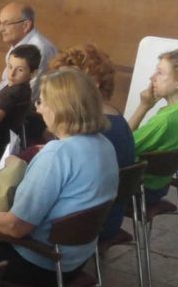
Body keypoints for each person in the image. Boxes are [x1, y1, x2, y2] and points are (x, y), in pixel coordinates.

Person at [0, 69, 119, 286]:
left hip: (40, 262)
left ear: (60, 109)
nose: (37, 109)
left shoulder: (57, 154)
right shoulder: (104, 144)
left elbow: (15, 227)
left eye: (41, 101)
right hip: (74, 260)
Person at [48, 44, 134, 240]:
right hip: (103, 218)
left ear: (93, 84)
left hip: (87, 227)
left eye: (68, 84)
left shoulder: (100, 131)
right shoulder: (112, 116)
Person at [127, 48, 178, 205]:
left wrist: (143, 107)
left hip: (137, 191)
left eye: (160, 73)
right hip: (159, 187)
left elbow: (121, 148)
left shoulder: (167, 120)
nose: (152, 77)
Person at [0, 3, 57, 104]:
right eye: (0, 23)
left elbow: (26, 99)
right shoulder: (19, 43)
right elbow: (5, 84)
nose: (0, 29)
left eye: (6, 24)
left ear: (26, 25)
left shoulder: (39, 49)